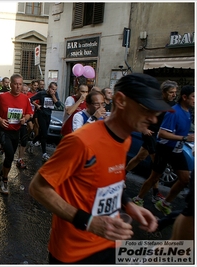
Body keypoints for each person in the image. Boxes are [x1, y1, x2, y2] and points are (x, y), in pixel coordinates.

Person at [29, 73, 169, 264]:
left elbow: (111, 182)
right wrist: (89, 222)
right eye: (146, 109)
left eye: (156, 112)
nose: (153, 119)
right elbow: (38, 188)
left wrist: (129, 206)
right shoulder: (81, 141)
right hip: (74, 253)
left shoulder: (125, 139)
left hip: (110, 243)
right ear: (120, 101)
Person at [132, 85, 194, 215]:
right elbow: (162, 134)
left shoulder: (188, 112)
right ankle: (138, 199)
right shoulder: (173, 112)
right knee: (154, 176)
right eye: (194, 97)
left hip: (176, 149)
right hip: (164, 148)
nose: (196, 100)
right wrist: (184, 138)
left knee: (185, 179)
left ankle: (165, 203)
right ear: (185, 97)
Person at [127, 80, 177, 203]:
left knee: (139, 157)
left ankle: (122, 174)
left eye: (175, 92)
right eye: (171, 92)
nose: (174, 95)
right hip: (150, 134)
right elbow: (139, 114)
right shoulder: (154, 102)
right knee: (158, 167)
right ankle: (155, 193)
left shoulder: (173, 105)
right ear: (163, 92)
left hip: (160, 136)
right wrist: (143, 129)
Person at [0, 74, 33, 194]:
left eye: (20, 84)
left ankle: (2, 173)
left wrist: (24, 119)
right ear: (10, 84)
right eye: (15, 84)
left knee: (10, 156)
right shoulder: (2, 97)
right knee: (10, 155)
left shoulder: (25, 99)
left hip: (16, 130)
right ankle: (5, 181)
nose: (18, 86)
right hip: (3, 130)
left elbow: (28, 113)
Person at [30, 82, 62, 161]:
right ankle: (44, 153)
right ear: (49, 88)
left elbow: (58, 104)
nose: (53, 91)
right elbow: (31, 99)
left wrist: (53, 95)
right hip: (41, 114)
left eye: (55, 90)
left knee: (42, 133)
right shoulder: (42, 93)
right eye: (52, 89)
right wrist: (37, 105)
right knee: (45, 134)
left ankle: (32, 142)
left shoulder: (55, 94)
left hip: (49, 115)